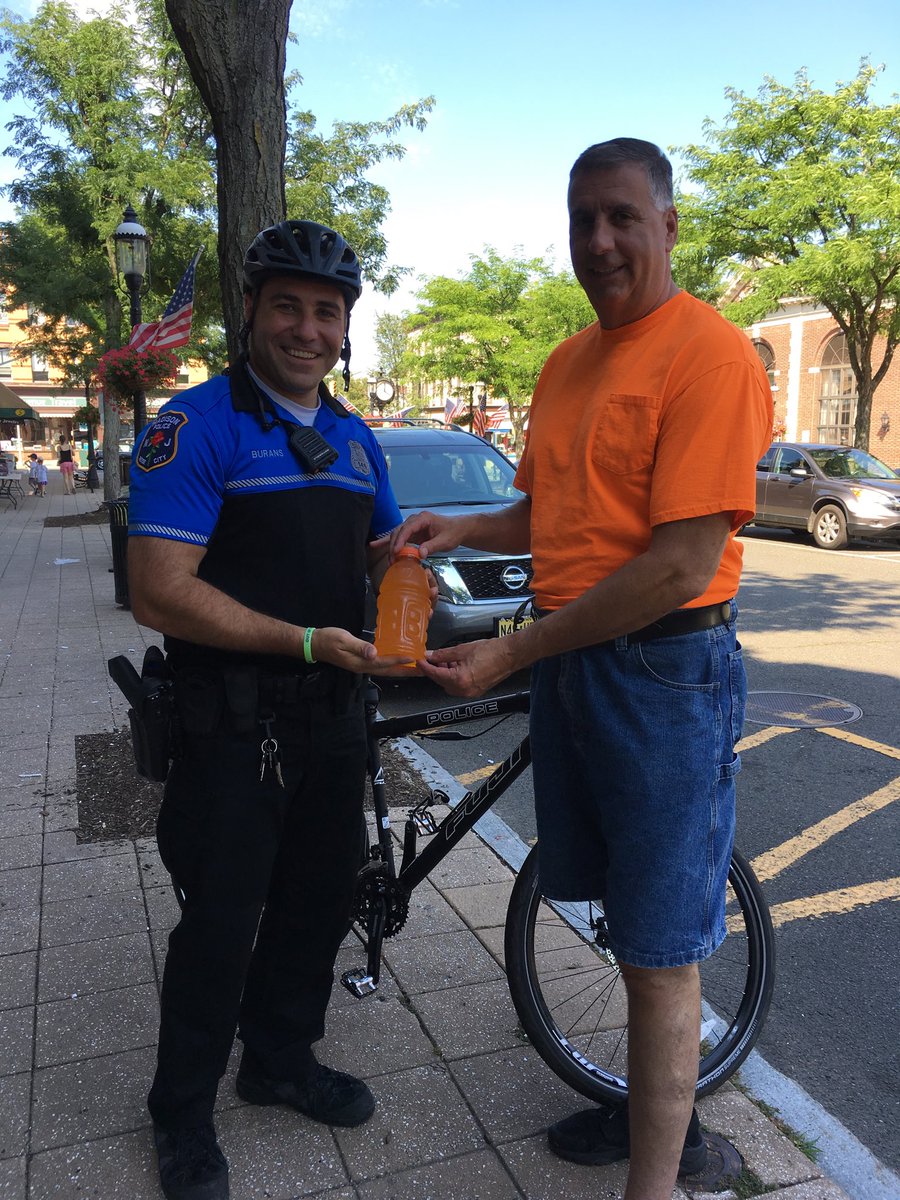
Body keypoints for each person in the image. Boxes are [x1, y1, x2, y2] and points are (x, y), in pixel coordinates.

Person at [386, 138, 772, 1200]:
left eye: (621, 217)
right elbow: (552, 509)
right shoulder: (564, 364)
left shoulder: (713, 355)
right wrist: (455, 527)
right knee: (607, 913)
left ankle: (658, 1181)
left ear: (668, 226)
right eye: (581, 221)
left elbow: (679, 564)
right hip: (573, 663)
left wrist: (513, 648)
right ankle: (645, 1105)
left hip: (660, 670)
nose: (599, 242)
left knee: (659, 950)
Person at [127, 219, 416, 1200]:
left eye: (325, 312)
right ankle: (180, 1113)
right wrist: (297, 640)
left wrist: (406, 558)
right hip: (232, 726)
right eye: (286, 305)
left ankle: (281, 1060)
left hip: (335, 717)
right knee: (220, 923)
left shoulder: (355, 437)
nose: (306, 327)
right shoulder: (193, 426)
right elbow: (160, 590)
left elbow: (371, 556)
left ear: (346, 328)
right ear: (251, 309)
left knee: (317, 905)